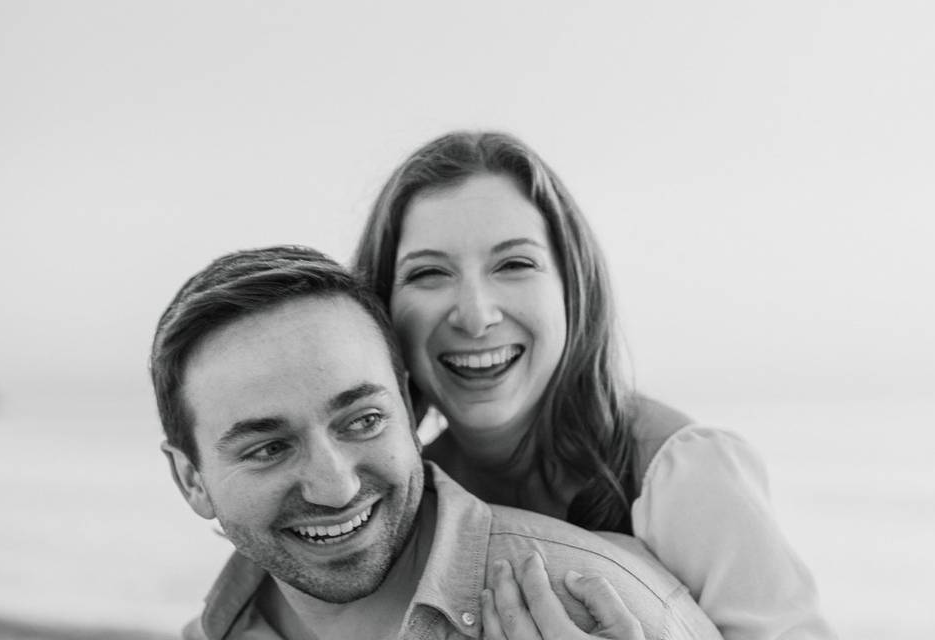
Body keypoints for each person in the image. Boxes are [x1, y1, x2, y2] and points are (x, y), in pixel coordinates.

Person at [353, 131, 837, 639]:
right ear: (380, 308)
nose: (475, 316)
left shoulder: (681, 475)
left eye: (514, 264)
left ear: (572, 287)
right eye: (428, 273)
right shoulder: (402, 500)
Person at [150, 245, 721, 640]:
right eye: (269, 448)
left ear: (405, 404)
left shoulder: (599, 606)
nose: (335, 486)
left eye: (362, 420)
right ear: (191, 480)